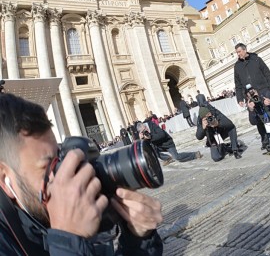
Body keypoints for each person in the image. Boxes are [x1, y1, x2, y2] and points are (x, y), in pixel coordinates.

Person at [0, 93, 163, 255]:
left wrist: (137, 240)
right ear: (4, 179)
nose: (64, 174)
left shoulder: (80, 210)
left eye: (60, 158)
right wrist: (67, 238)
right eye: (48, 167)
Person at [234, 43, 270, 148]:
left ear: (245, 50)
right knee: (257, 119)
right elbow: (238, 83)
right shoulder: (237, 66)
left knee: (268, 114)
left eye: (239, 52)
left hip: (263, 91)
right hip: (250, 96)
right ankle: (265, 139)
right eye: (237, 52)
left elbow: (267, 74)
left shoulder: (256, 59)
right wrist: (239, 98)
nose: (238, 54)